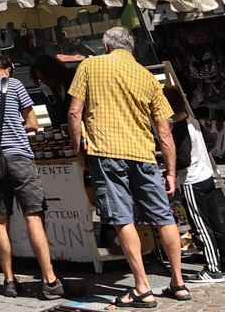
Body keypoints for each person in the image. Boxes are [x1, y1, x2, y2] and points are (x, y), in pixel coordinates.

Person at [69, 27, 188, 306]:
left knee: (122, 217)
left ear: (106, 46)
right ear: (132, 50)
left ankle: (142, 288)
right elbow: (165, 132)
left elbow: (75, 112)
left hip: (106, 152)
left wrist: (79, 151)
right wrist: (170, 171)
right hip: (144, 154)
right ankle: (178, 283)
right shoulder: (147, 77)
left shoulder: (90, 65)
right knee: (163, 217)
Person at [0, 54, 61, 300]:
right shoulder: (13, 84)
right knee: (34, 216)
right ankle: (49, 281)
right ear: (7, 69)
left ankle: (8, 280)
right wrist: (15, 125)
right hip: (18, 157)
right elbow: (33, 123)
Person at [166, 85, 225, 286]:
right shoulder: (193, 121)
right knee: (215, 222)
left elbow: (183, 159)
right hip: (206, 176)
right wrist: (200, 155)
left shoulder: (179, 129)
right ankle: (221, 261)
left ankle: (213, 268)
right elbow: (209, 139)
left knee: (201, 225)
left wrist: (169, 167)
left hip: (193, 181)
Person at [30, 56, 73, 129]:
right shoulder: (47, 90)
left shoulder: (72, 80)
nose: (44, 82)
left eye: (46, 78)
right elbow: (54, 118)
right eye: (40, 79)